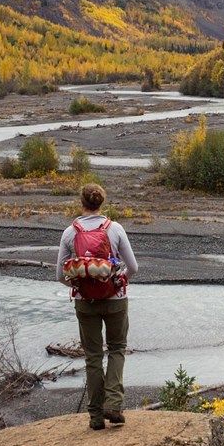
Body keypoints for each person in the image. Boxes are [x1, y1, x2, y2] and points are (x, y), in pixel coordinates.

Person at [57, 183, 139, 430]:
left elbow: (60, 276)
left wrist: (81, 287)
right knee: (117, 349)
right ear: (101, 202)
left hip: (85, 303)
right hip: (116, 300)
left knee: (93, 357)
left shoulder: (70, 233)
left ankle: (95, 417)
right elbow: (133, 267)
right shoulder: (115, 229)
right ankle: (113, 404)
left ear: (81, 202)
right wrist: (118, 282)